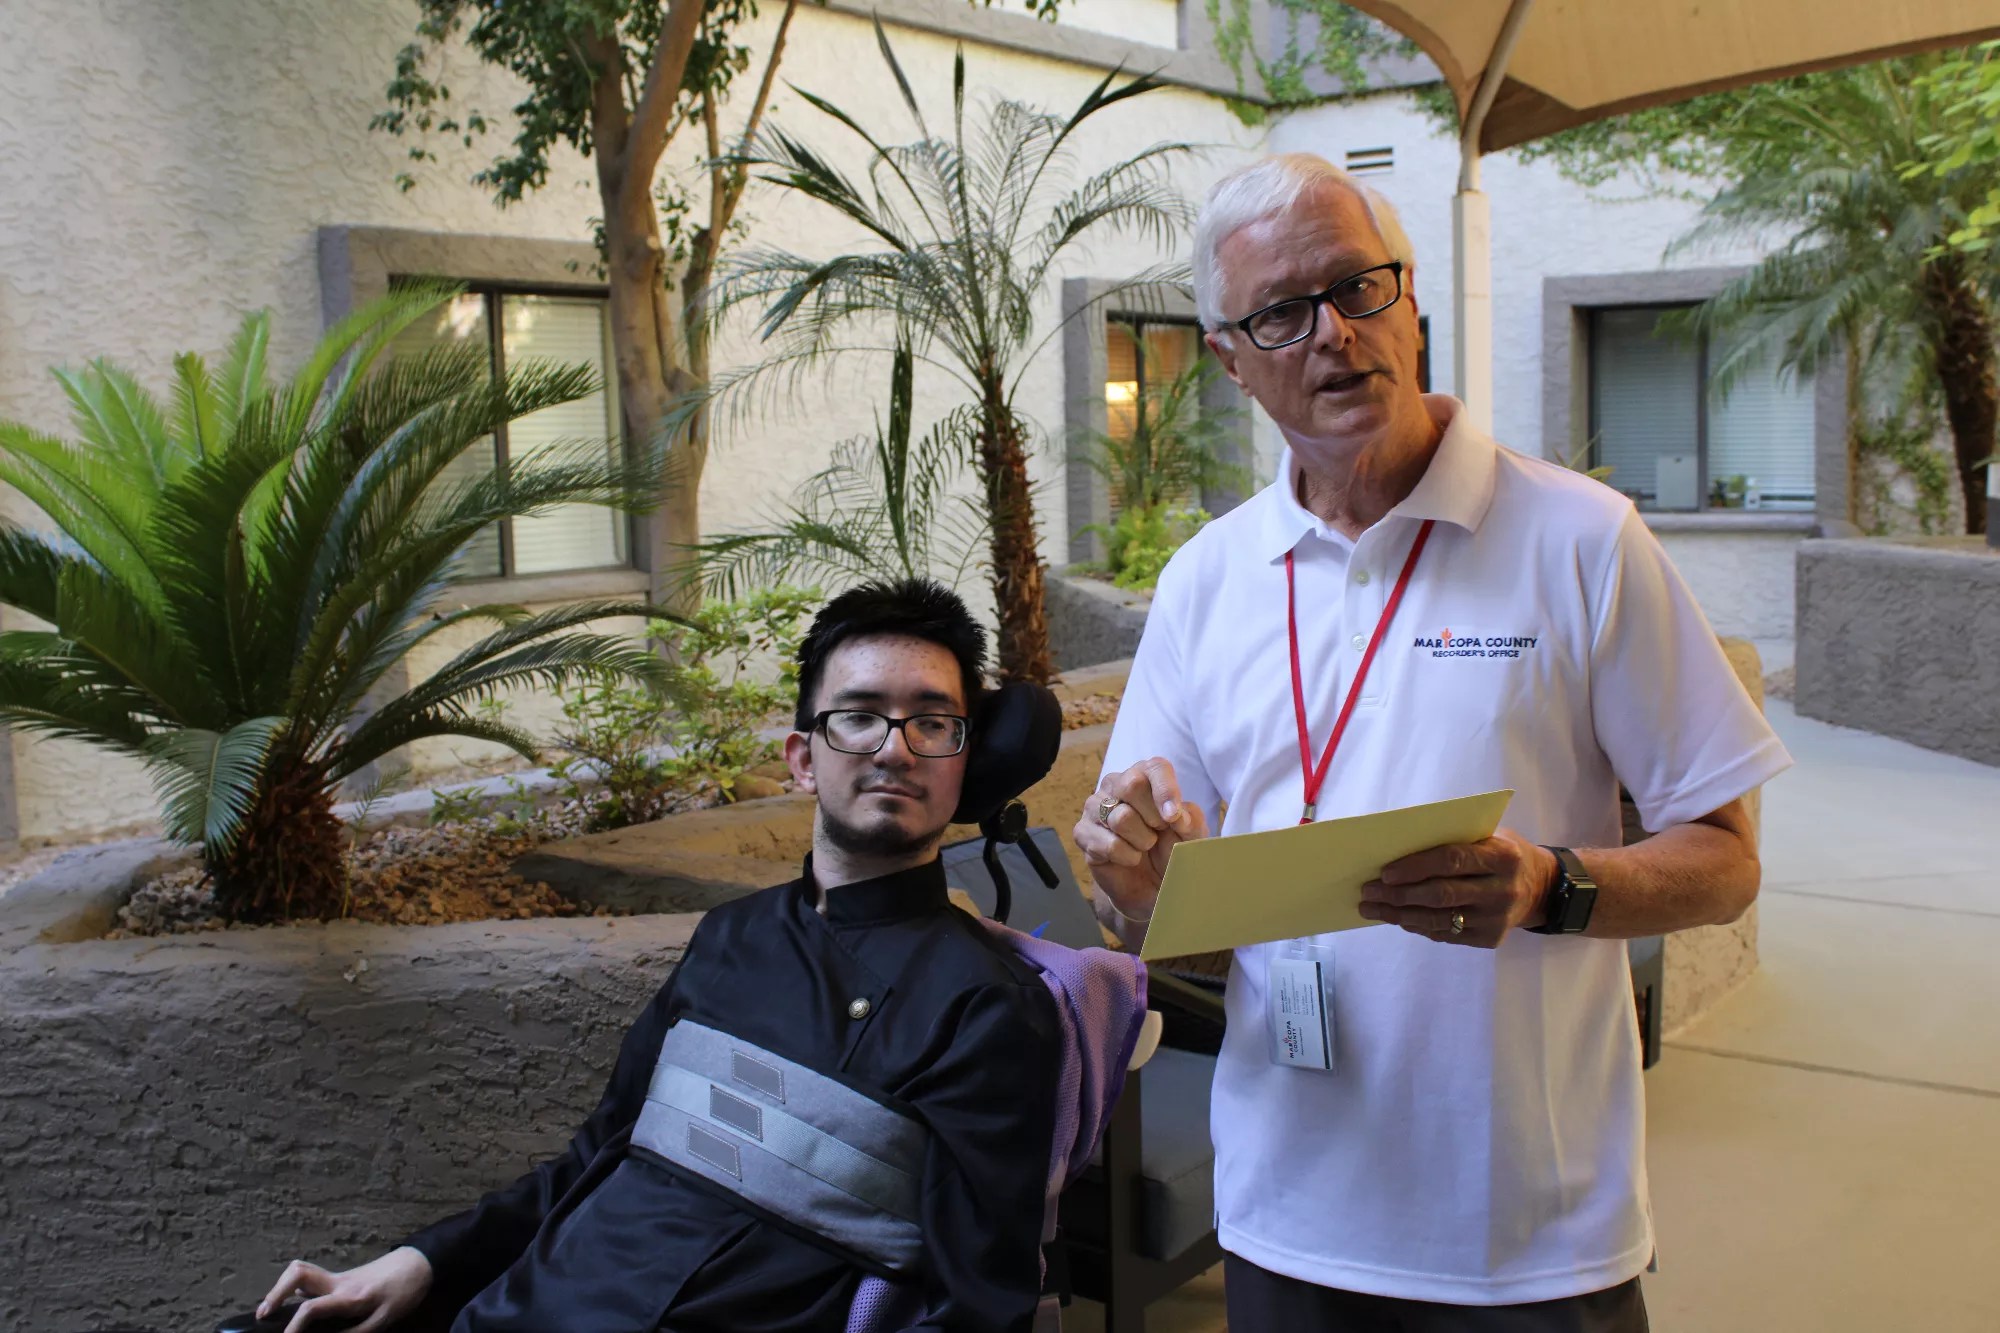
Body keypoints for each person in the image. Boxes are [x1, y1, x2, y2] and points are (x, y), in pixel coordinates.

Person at [1074, 153, 1793, 1331]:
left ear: (1408, 303)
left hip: (1528, 1238)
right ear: (1228, 358)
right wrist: (1131, 880)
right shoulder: (1206, 581)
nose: (1332, 334)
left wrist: (1549, 885)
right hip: (1280, 1216)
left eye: (1358, 288)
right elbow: (1154, 921)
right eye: (1281, 312)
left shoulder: (1580, 540)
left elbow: (1725, 860)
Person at [259, 579, 1064, 1333]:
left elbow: (975, 1310)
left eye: (933, 722)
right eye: (857, 716)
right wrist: (421, 1259)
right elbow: (595, 1157)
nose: (895, 749)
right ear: (801, 758)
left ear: (964, 763)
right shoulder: (729, 935)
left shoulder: (986, 1006)